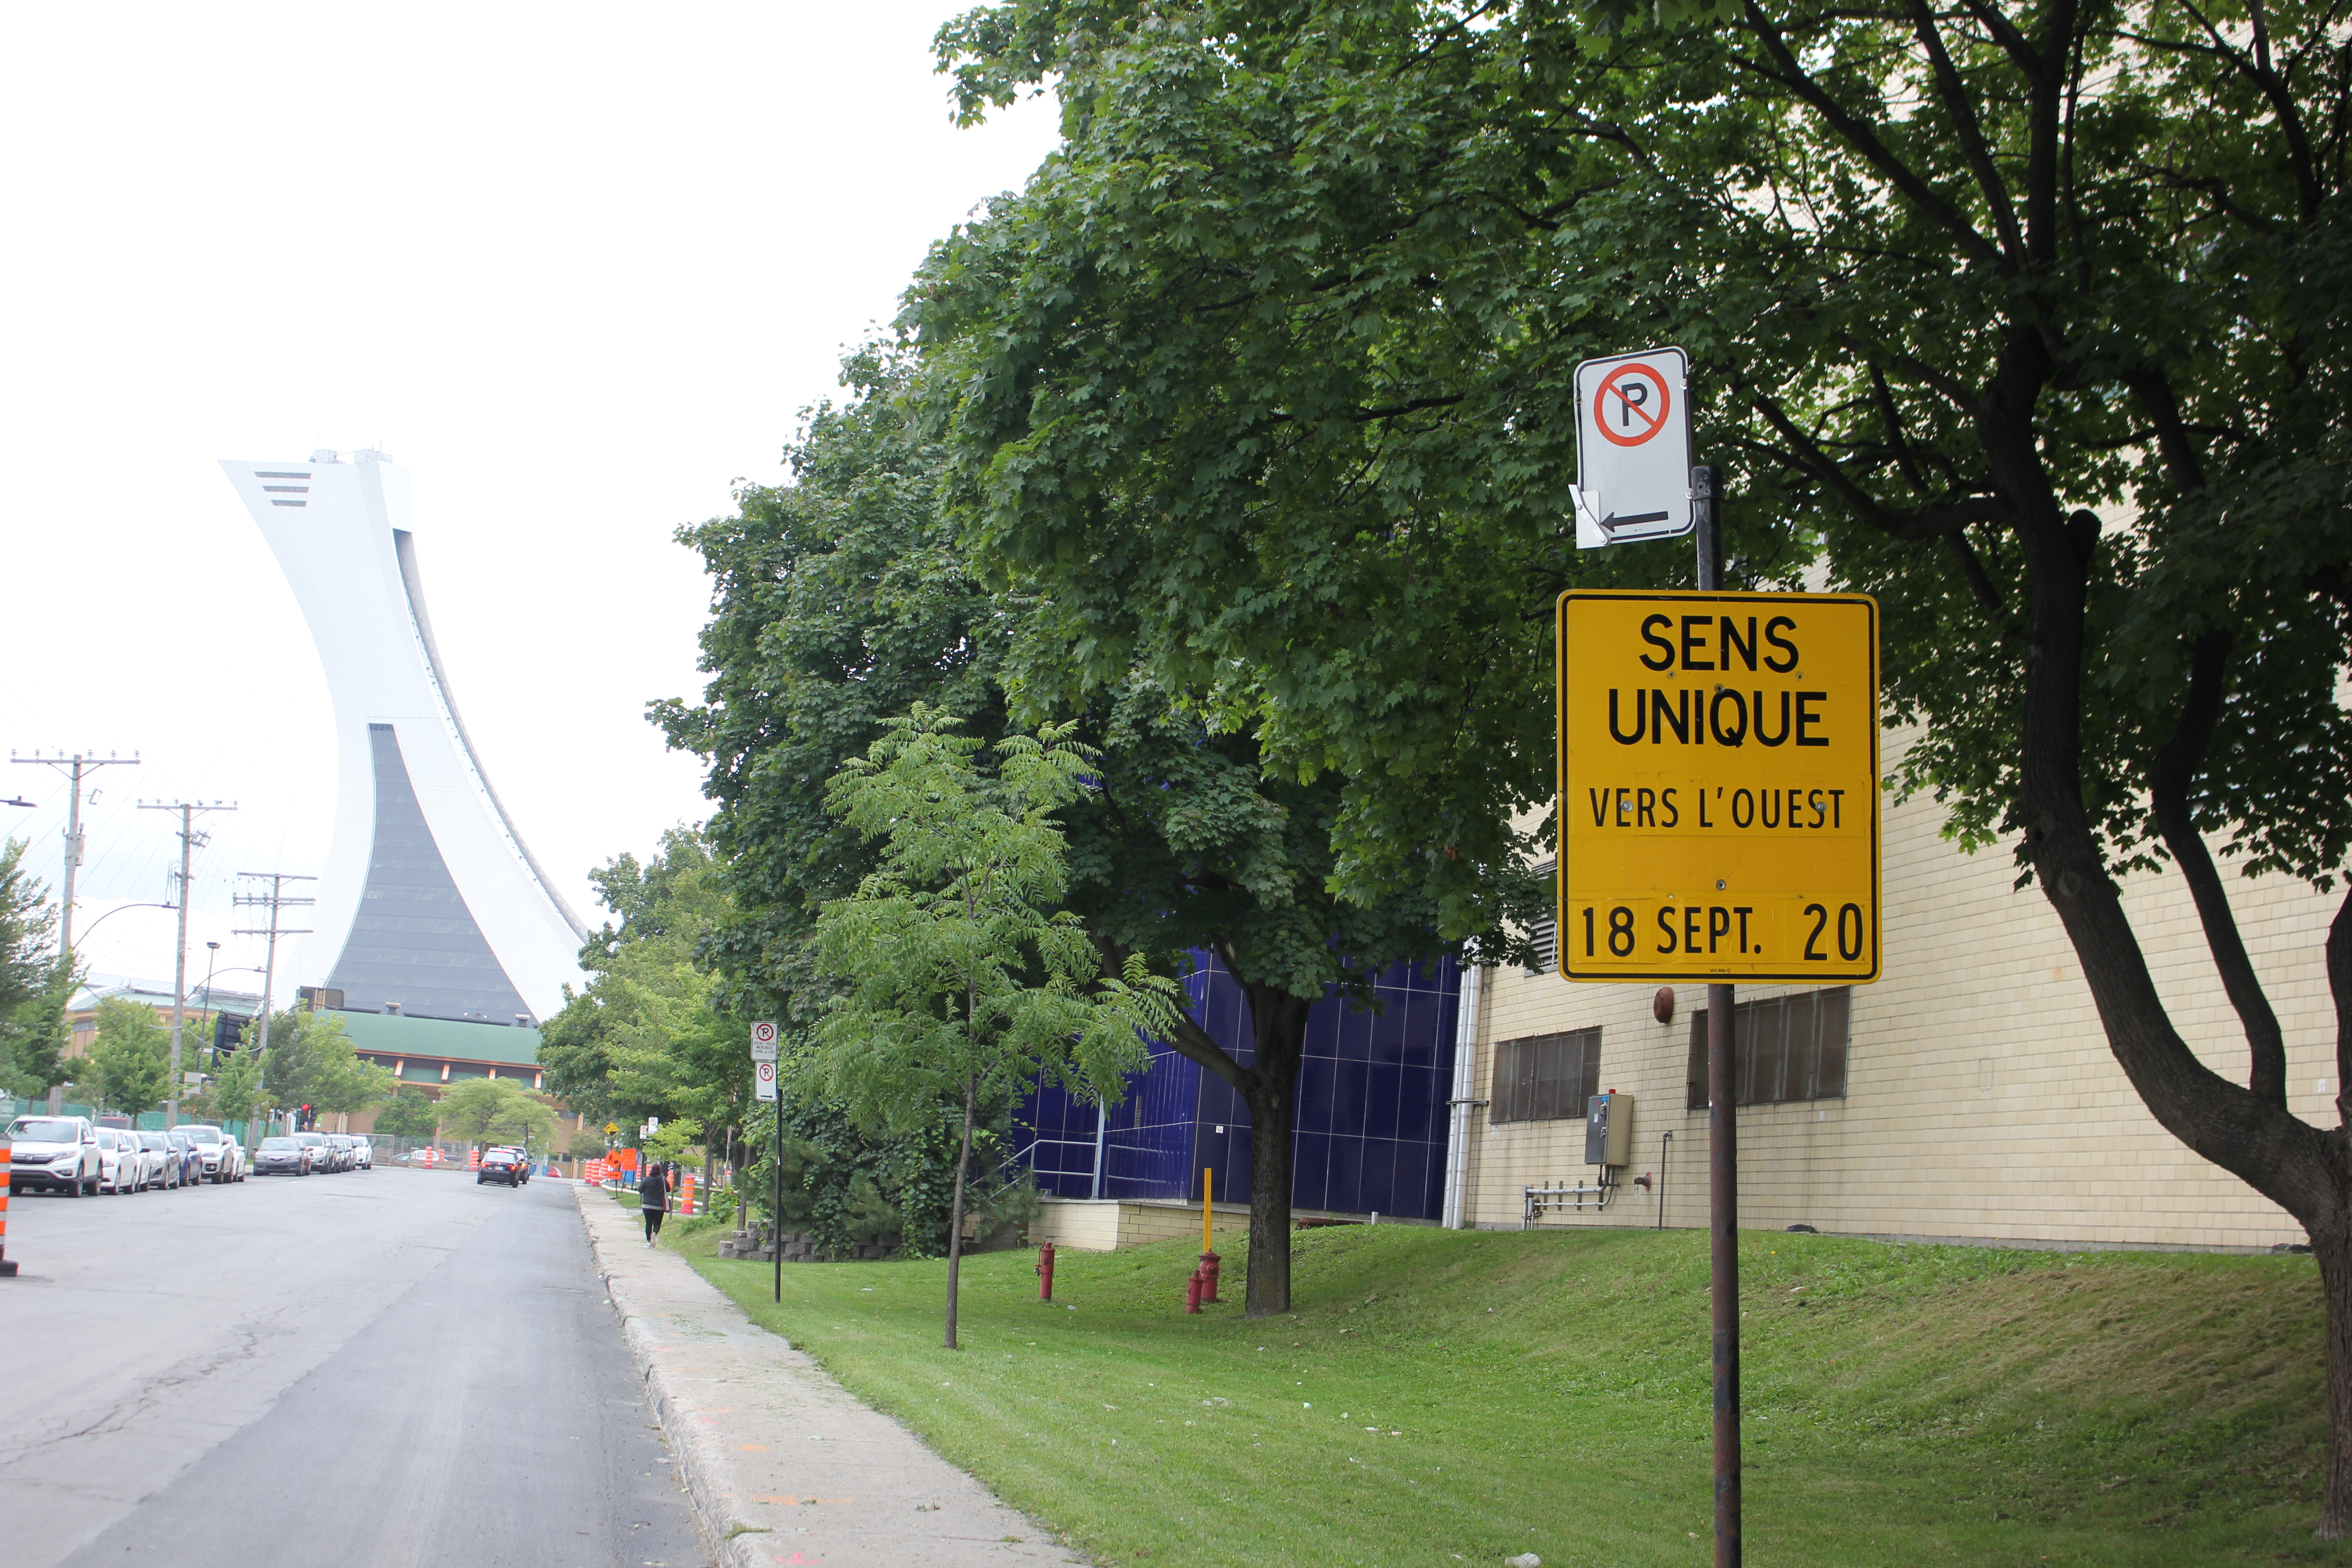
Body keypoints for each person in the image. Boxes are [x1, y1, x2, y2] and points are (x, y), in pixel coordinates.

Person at [639, 1161, 669, 1246]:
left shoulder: (646, 1180)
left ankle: (649, 1242)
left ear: (652, 1170)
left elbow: (641, 1190)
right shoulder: (663, 1180)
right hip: (659, 1206)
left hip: (647, 1205)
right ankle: (655, 1233)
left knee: (649, 1223)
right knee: (657, 1223)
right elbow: (668, 1190)